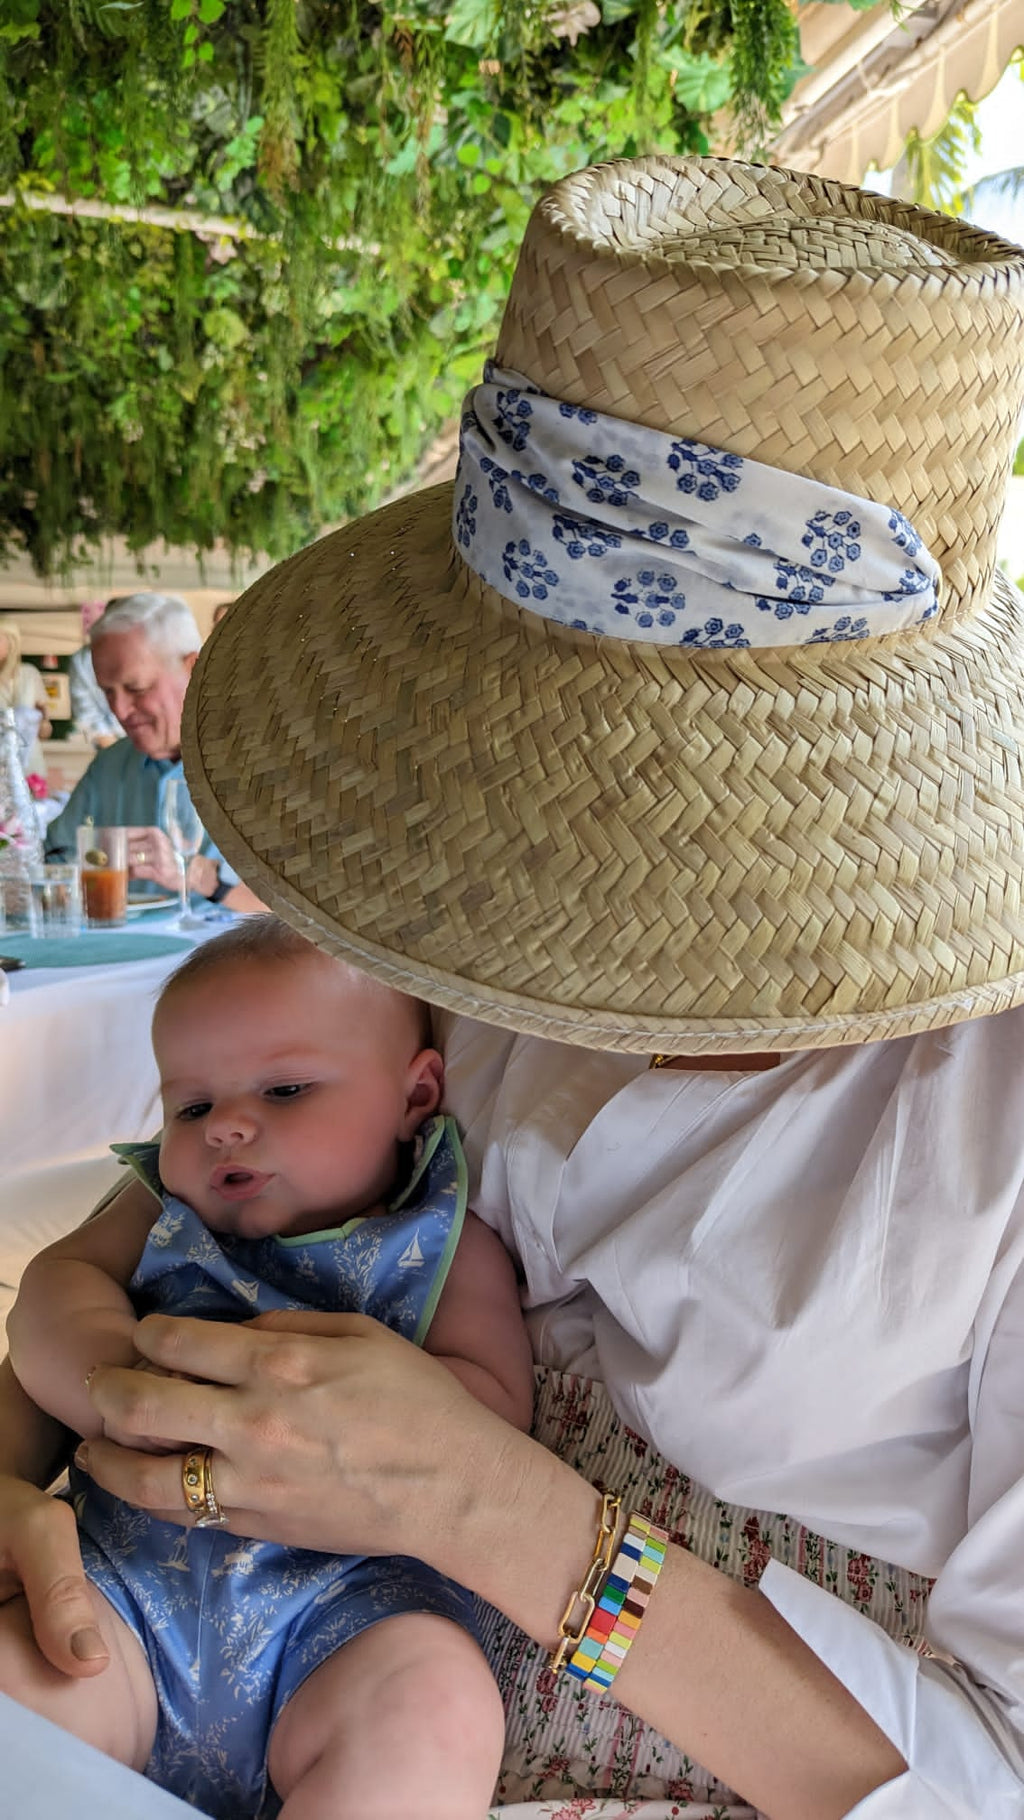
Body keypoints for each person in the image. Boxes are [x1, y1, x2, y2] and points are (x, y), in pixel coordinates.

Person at [3, 155, 1024, 1820]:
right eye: (544, 757)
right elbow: (117, 1247)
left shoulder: (984, 1112)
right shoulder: (456, 939)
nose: (556, 870)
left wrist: (498, 1519)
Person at [2, 915, 533, 1817]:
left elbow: (493, 1412)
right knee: (23, 1695)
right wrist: (111, 1386)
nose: (226, 1130)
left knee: (433, 1710)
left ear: (416, 1097)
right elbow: (55, 1287)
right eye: (192, 1106)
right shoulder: (163, 1212)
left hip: (354, 1608)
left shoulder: (445, 1242)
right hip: (126, 1589)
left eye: (284, 1089)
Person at [45, 592, 262, 913]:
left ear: (194, 668)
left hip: (239, 959)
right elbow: (53, 861)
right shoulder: (110, 766)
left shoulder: (260, 763)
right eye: (107, 691)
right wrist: (84, 867)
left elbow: (312, 914)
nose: (119, 709)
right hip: (121, 956)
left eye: (137, 688)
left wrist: (197, 873)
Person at [0, 613, 51, 777]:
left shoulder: (29, 674)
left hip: (31, 766)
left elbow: (45, 733)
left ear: (12, 642)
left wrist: (43, 721)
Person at [67, 599, 122, 748]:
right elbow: (86, 710)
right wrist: (111, 746)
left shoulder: (151, 653)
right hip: (110, 741)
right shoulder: (83, 660)